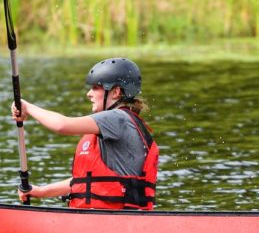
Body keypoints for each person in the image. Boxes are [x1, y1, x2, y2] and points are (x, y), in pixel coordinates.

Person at [11, 57, 158, 209]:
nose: (89, 93)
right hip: (105, 218)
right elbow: (83, 182)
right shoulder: (118, 123)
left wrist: (27, 107)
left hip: (115, 221)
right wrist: (40, 191)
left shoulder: (117, 118)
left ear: (116, 92)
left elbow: (62, 125)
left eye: (96, 87)